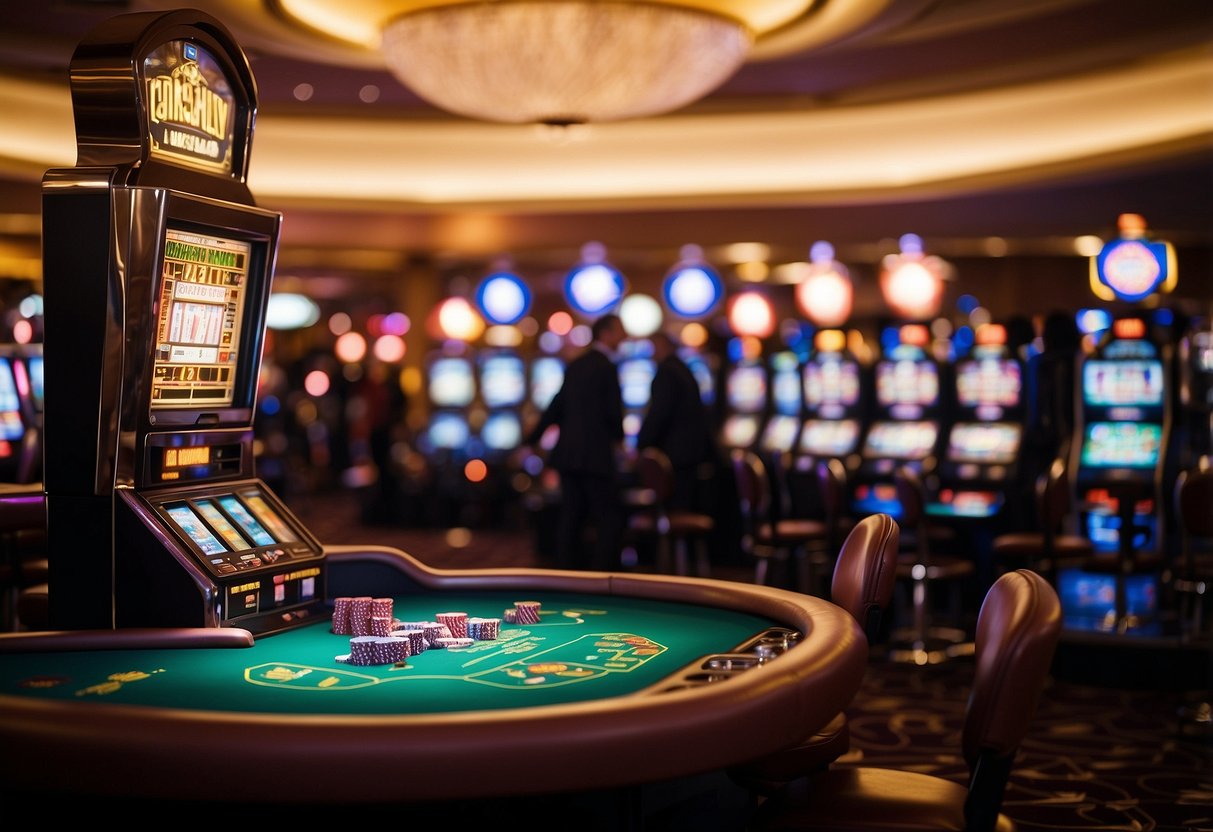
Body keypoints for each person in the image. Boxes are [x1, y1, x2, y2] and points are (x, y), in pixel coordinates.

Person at [524, 313, 627, 571]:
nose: (623, 337)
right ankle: (602, 576)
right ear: (606, 333)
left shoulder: (576, 364)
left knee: (571, 517)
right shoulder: (607, 366)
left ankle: (566, 574)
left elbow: (555, 407)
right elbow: (613, 414)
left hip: (568, 455)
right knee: (607, 518)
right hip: (595, 456)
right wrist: (621, 444)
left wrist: (531, 439)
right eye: (619, 331)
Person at [636, 330, 715, 512]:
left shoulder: (667, 372)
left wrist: (641, 445)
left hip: (675, 456)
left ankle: (672, 539)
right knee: (685, 505)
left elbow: (659, 414)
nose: (651, 353)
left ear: (663, 345)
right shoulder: (682, 369)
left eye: (653, 347)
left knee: (675, 509)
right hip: (691, 452)